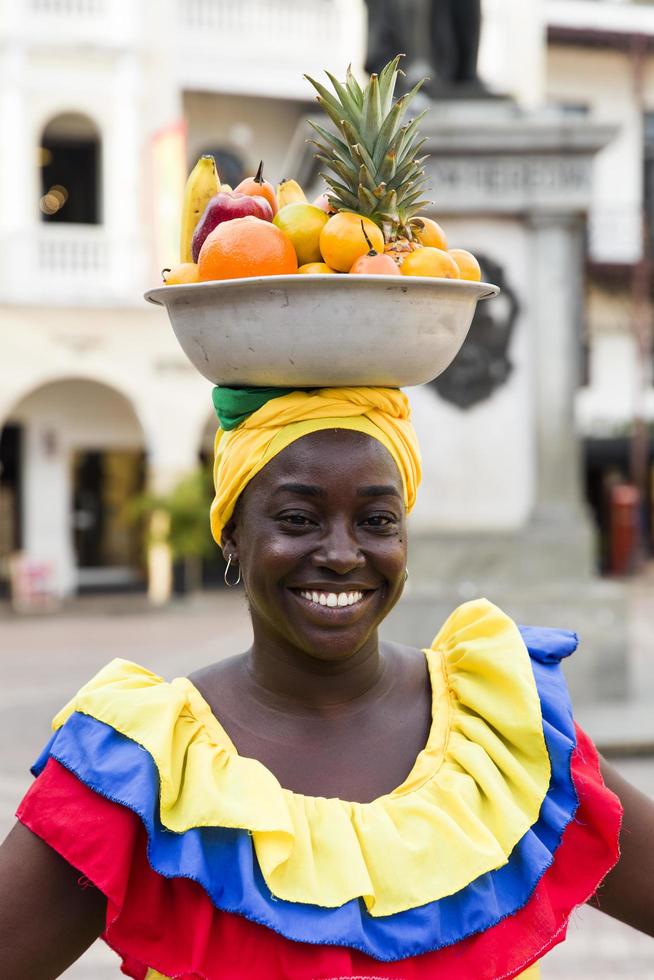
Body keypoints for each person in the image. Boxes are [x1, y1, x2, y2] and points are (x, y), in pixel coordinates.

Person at [0, 385, 653, 980]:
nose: (342, 554)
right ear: (231, 535)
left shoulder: (499, 735)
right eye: (297, 519)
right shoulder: (143, 768)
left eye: (377, 521)